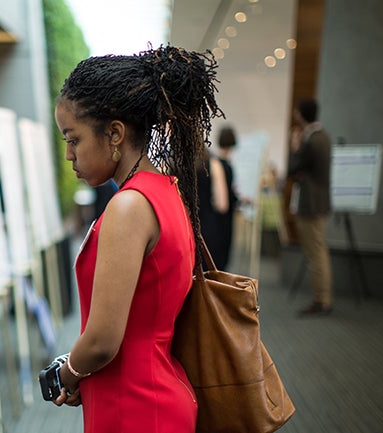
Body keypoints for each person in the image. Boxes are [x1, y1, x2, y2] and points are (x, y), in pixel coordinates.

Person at [46, 45, 221, 432]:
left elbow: (104, 340)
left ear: (114, 134)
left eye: (73, 139)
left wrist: (69, 373)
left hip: (136, 408)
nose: (69, 155)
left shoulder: (129, 206)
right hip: (153, 395)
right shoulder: (165, 190)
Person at [288, 98, 333, 316]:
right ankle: (322, 298)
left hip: (311, 204)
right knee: (318, 250)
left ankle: (321, 300)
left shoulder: (311, 140)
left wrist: (295, 146)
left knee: (315, 252)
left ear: (302, 115)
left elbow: (292, 167)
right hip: (320, 202)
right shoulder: (324, 137)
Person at [197, 126, 239, 270]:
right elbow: (222, 204)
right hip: (212, 224)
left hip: (187, 226)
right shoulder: (214, 164)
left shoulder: (174, 163)